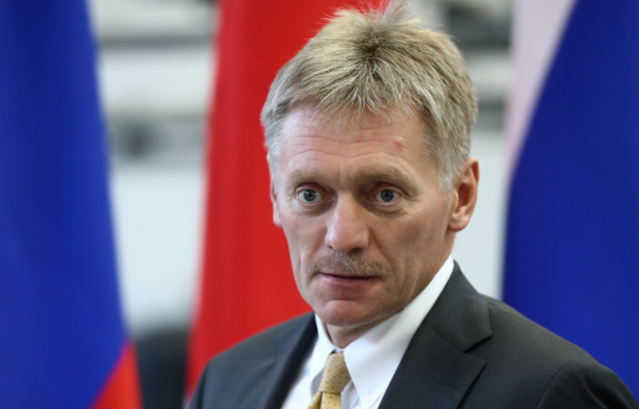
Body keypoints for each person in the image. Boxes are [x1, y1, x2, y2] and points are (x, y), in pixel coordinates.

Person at [189, 2, 639, 408]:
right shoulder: (227, 382)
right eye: (311, 195)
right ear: (275, 196)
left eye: (385, 195)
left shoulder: (550, 393)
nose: (342, 237)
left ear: (461, 197)